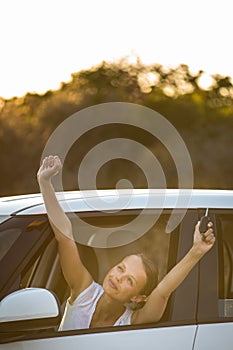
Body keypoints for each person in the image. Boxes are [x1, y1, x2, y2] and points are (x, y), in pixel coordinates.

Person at [37, 155, 215, 331]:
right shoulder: (83, 292)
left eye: (129, 280)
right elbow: (65, 237)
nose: (118, 277)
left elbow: (163, 291)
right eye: (120, 268)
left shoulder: (133, 321)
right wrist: (44, 183)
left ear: (138, 297)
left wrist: (196, 252)